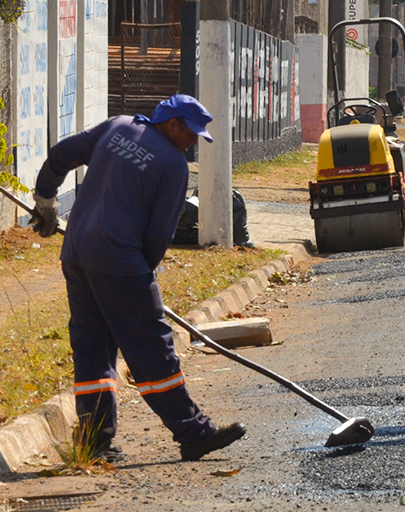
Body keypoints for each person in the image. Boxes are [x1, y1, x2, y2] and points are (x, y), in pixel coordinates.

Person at [32, 94, 247, 461]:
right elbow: (158, 234)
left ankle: (94, 444)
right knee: (151, 349)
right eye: (191, 133)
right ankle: (192, 432)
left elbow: (62, 153)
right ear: (172, 123)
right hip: (119, 261)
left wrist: (45, 199)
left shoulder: (117, 126)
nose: (194, 141)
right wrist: (141, 277)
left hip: (78, 255)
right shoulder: (173, 165)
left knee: (93, 349)